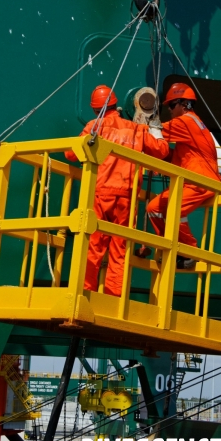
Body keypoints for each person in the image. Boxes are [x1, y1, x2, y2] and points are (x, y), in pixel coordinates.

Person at [65, 85, 169, 296]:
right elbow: (162, 150)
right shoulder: (135, 129)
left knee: (93, 248)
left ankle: (84, 292)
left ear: (96, 109)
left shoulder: (94, 126)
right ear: (116, 104)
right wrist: (155, 127)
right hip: (126, 199)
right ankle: (114, 298)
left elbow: (70, 154)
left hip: (100, 195)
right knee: (119, 251)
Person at [147, 82, 221, 269]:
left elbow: (156, 132)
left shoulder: (186, 122)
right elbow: (181, 157)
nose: (170, 111)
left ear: (183, 104)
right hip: (191, 179)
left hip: (201, 180)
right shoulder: (192, 125)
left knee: (174, 209)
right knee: (153, 208)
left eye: (172, 106)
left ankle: (189, 250)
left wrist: (133, 127)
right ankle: (171, 247)